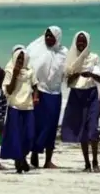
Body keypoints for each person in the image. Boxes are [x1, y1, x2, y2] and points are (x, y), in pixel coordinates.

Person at [61, 31, 100, 172]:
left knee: (93, 129)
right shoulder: (71, 58)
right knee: (82, 130)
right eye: (79, 41)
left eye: (83, 41)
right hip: (76, 95)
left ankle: (95, 161)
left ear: (88, 42)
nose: (81, 43)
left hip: (91, 94)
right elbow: (68, 80)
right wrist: (78, 73)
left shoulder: (94, 57)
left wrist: (90, 74)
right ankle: (86, 163)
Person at [27, 26, 68, 169]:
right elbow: (30, 70)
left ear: (58, 37)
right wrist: (34, 91)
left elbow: (67, 72)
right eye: (47, 36)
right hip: (39, 91)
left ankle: (48, 160)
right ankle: (34, 154)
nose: (49, 39)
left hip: (55, 93)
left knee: (51, 126)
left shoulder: (64, 53)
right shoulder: (36, 50)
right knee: (38, 125)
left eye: (52, 36)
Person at [1, 48, 39, 173]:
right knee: (16, 137)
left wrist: (35, 97)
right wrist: (15, 75)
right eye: (18, 58)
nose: (20, 61)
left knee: (29, 135)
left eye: (22, 58)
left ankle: (22, 157)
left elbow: (35, 86)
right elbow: (9, 90)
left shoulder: (30, 71)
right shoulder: (9, 71)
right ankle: (19, 160)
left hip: (28, 107)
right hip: (14, 107)